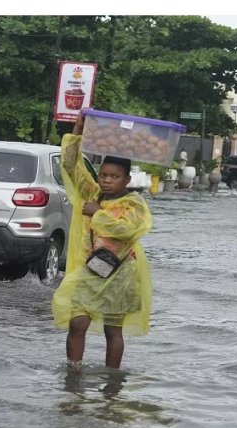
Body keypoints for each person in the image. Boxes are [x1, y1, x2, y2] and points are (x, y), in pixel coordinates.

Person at [52, 113, 153, 369]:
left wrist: (97, 213)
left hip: (121, 273)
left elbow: (128, 230)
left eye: (114, 176)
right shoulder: (92, 193)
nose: (107, 180)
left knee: (112, 329)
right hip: (92, 269)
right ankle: (73, 371)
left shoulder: (134, 204)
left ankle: (112, 379)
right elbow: (71, 166)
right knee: (77, 322)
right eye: (103, 175)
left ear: (127, 179)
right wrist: (77, 129)